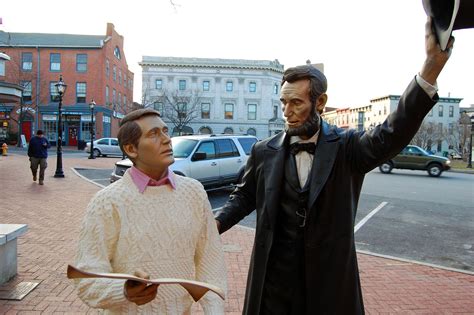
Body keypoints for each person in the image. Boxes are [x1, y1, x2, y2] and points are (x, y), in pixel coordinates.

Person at [215, 17, 454, 315]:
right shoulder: (264, 151)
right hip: (273, 286)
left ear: (320, 102)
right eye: (283, 103)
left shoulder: (348, 147)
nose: (287, 113)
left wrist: (431, 67)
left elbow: (393, 133)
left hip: (328, 285)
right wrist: (216, 224)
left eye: (296, 103)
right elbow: (244, 197)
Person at [74, 108, 226, 314]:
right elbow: (86, 276)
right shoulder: (107, 201)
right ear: (131, 149)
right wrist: (124, 291)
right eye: (153, 134)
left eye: (165, 131)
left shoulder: (194, 192)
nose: (166, 139)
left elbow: (211, 258)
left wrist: (214, 310)